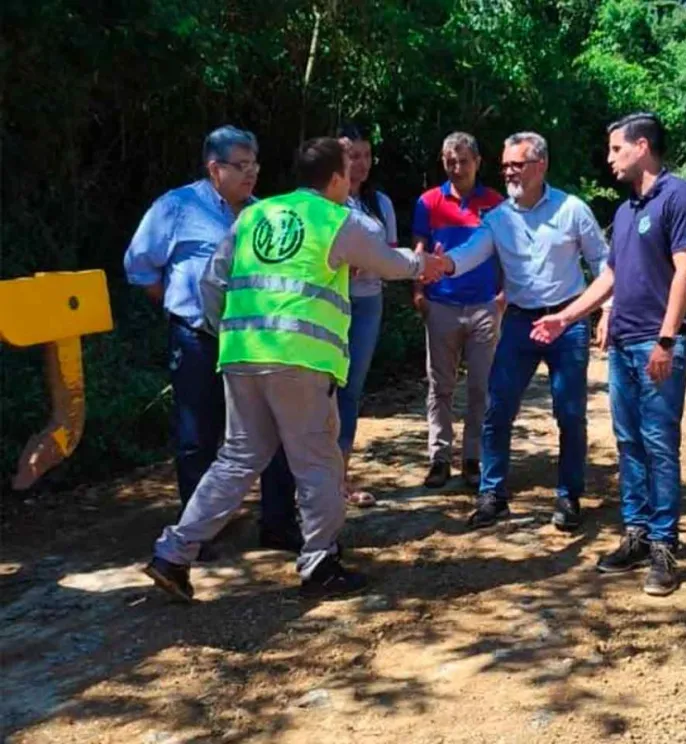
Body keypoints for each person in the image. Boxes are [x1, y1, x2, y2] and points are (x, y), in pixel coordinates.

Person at [142, 137, 447, 602]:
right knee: (318, 461)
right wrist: (433, 265)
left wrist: (223, 330)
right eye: (349, 171)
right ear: (337, 178)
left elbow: (213, 280)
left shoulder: (255, 215)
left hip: (242, 354)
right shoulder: (337, 219)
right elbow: (392, 263)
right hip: (299, 360)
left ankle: (173, 553)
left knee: (237, 460)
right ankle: (321, 563)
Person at [531, 113, 686, 596]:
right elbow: (610, 277)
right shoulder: (628, 209)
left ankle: (664, 546)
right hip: (624, 341)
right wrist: (567, 317)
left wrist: (667, 338)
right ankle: (635, 533)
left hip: (657, 341)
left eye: (615, 149)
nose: (609, 159)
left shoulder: (682, 197)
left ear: (642, 146)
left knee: (658, 442)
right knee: (628, 440)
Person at [123, 126, 301, 558]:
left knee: (271, 434)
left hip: (254, 344)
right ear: (213, 168)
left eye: (255, 164)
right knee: (196, 436)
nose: (251, 173)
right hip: (198, 339)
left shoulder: (264, 214)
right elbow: (140, 267)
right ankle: (198, 535)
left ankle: (277, 524)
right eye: (241, 165)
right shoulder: (177, 207)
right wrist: (179, 305)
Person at [429, 131, 610, 531]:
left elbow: (602, 261)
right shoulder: (498, 219)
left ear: (540, 164)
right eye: (506, 165)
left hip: (568, 322)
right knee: (498, 408)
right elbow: (470, 252)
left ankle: (568, 496)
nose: (509, 171)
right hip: (519, 322)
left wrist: (607, 311)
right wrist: (443, 265)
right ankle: (492, 495)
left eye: (518, 164)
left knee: (570, 413)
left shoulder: (572, 209)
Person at [412, 132, 504, 489]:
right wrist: (418, 291)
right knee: (440, 386)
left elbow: (507, 251)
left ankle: (473, 457)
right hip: (441, 303)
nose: (457, 167)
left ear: (478, 162)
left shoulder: (496, 203)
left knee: (481, 386)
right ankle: (439, 458)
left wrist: (504, 296)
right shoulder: (428, 201)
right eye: (451, 161)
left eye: (464, 160)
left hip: (484, 304)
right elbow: (419, 247)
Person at [331, 123, 398, 509]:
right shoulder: (324, 203)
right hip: (327, 305)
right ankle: (309, 481)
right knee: (320, 391)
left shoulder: (380, 203)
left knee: (350, 391)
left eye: (367, 155)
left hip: (368, 301)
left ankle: (341, 477)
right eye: (352, 155)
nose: (361, 163)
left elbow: (390, 254)